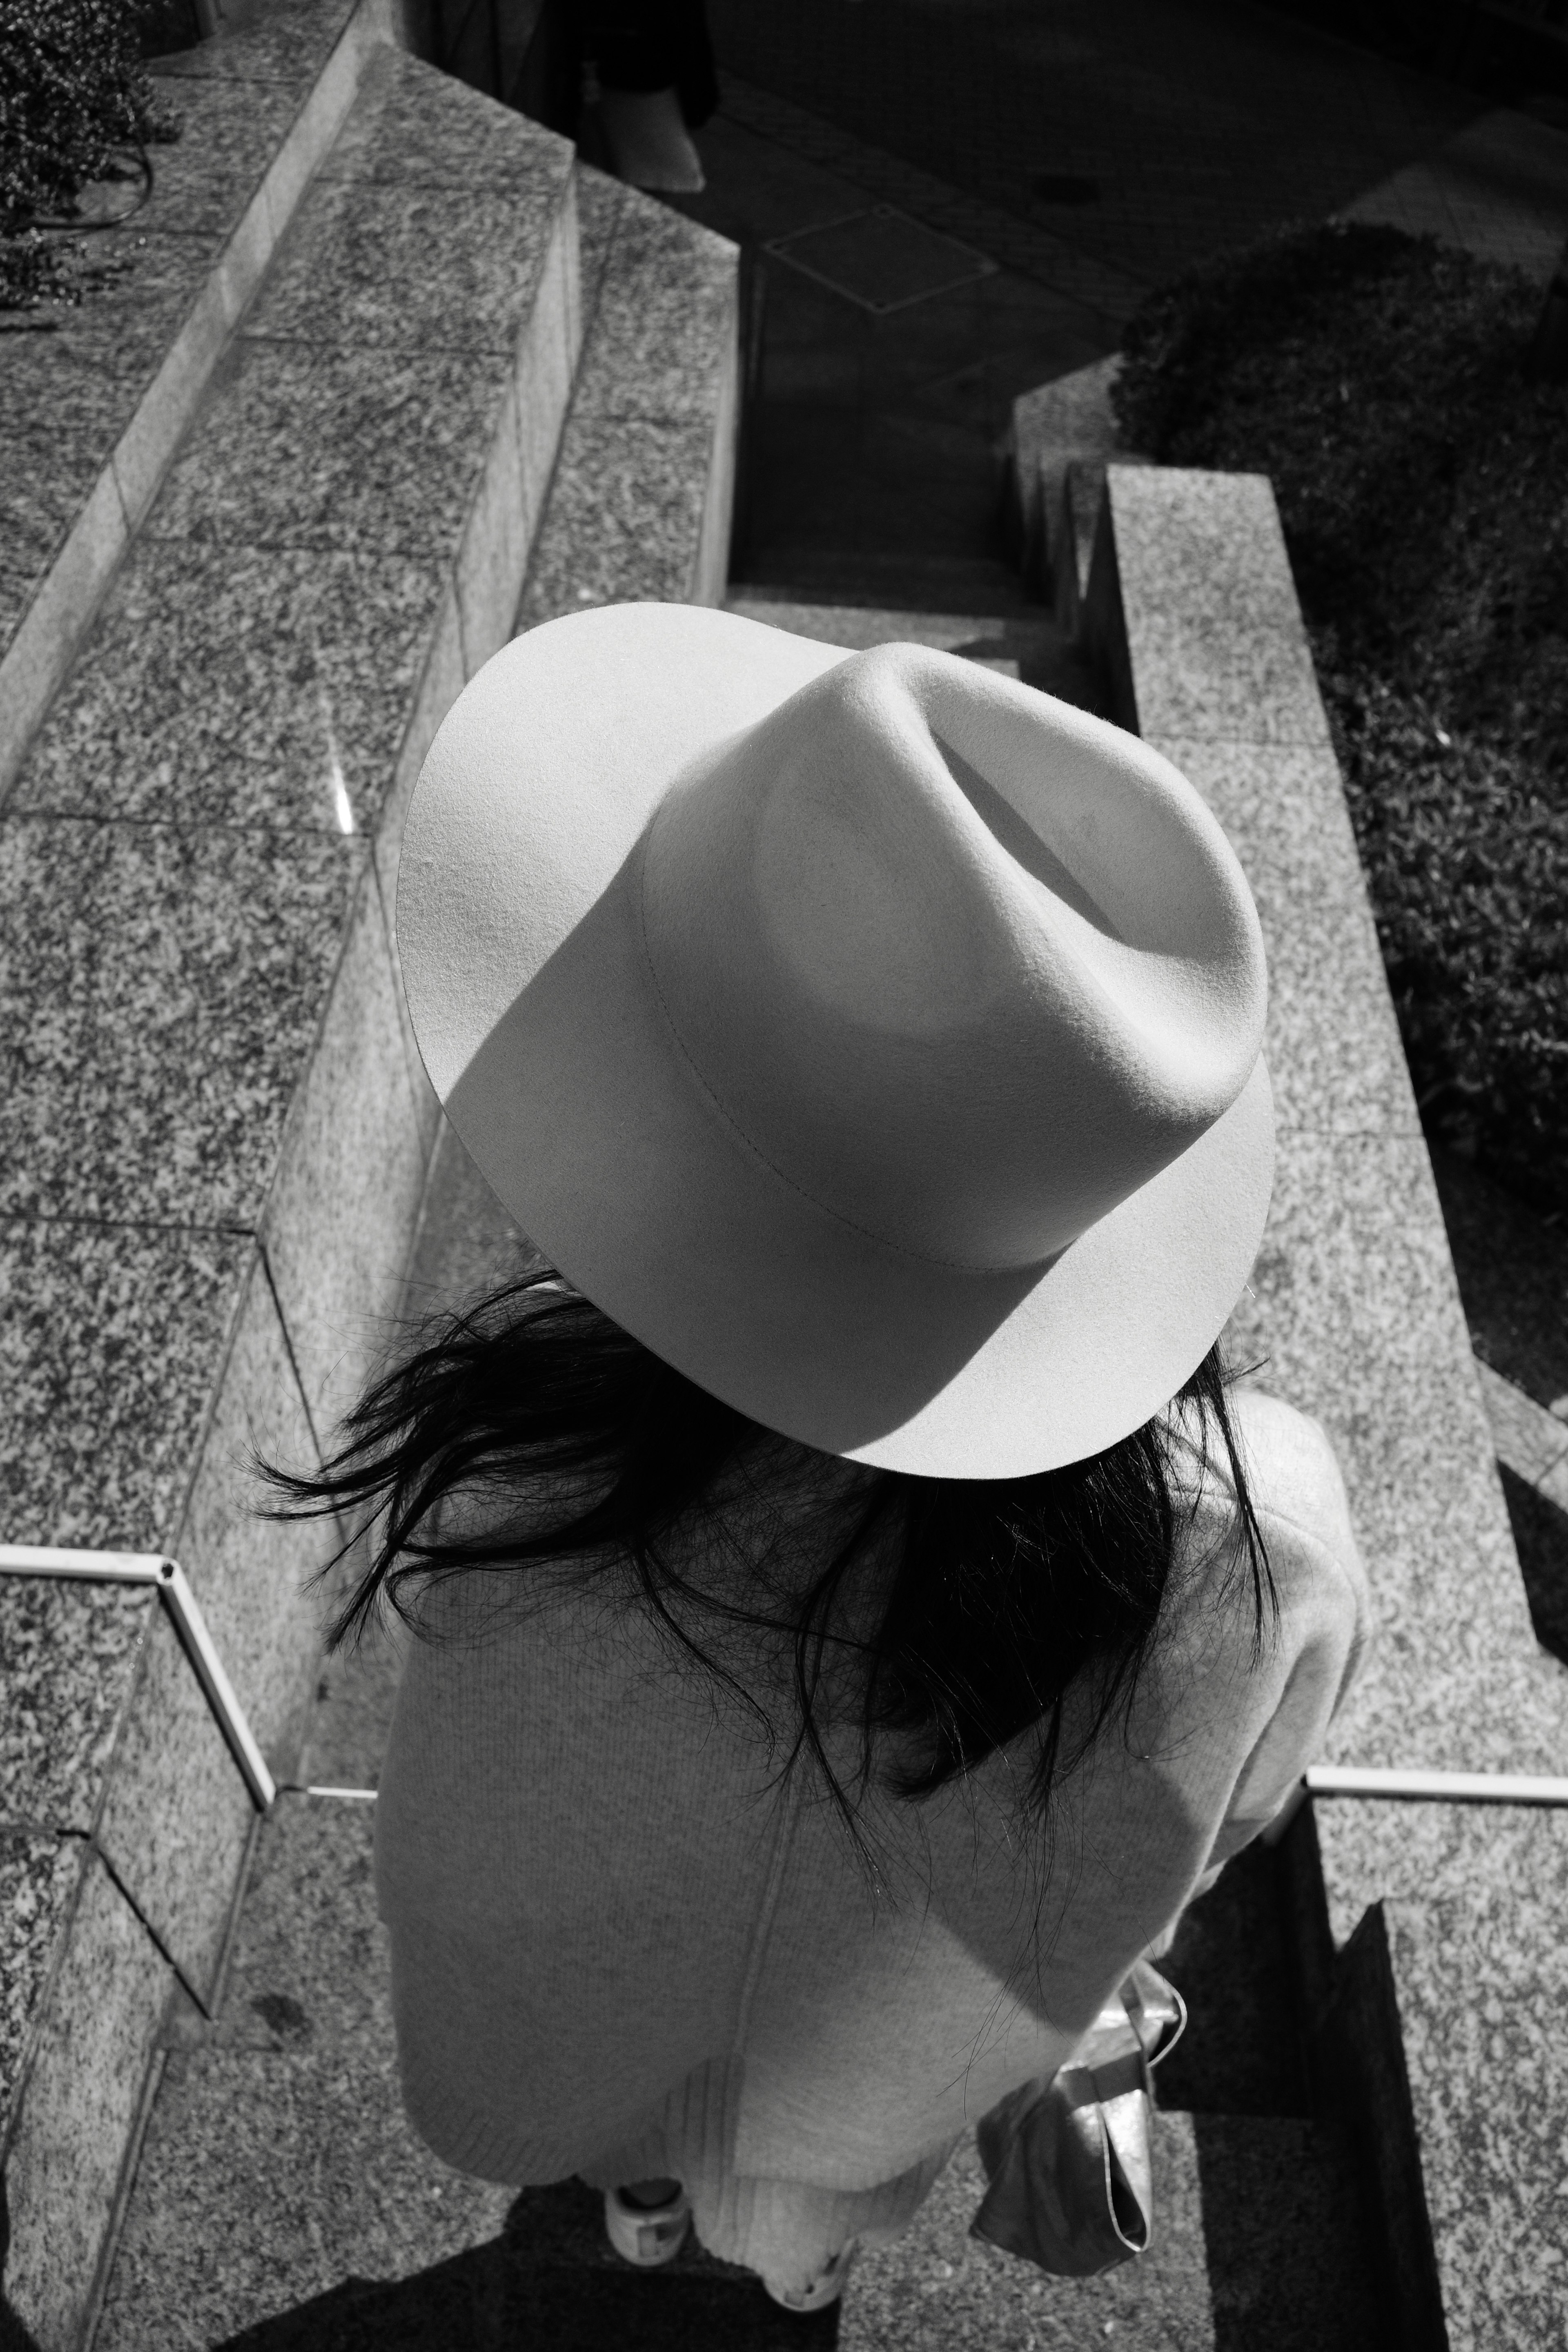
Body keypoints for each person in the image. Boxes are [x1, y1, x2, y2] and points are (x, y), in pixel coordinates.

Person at [273, 605, 1368, 2314]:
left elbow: (465, 1844)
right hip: (902, 2068)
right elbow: (1230, 1817)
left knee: (627, 2143)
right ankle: (778, 2273)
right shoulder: (1271, 1547)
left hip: (562, 2027)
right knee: (813, 2217)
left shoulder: (536, 1456)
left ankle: (641, 2209)